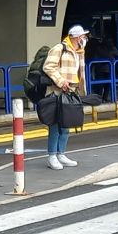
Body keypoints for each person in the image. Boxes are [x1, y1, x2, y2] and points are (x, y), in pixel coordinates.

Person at [42, 25, 89, 169]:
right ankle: (52, 156)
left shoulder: (79, 51)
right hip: (57, 92)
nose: (84, 39)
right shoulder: (59, 48)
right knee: (55, 125)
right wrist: (61, 82)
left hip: (71, 92)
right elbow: (48, 66)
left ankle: (61, 154)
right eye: (82, 36)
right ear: (75, 37)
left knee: (67, 124)